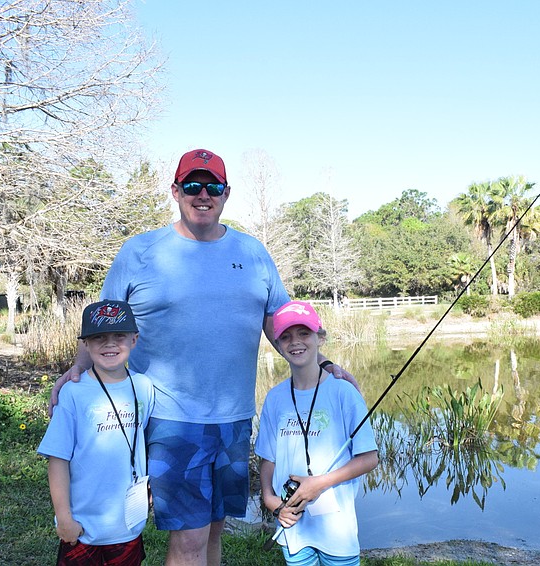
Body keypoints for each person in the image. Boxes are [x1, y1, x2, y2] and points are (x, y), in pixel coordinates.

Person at [51, 149, 355, 566]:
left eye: (213, 186)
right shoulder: (139, 252)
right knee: (189, 542)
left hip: (233, 419)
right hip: (172, 420)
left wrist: (323, 367)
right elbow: (106, 323)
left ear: (226, 193)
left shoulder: (252, 253)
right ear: (176, 191)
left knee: (213, 534)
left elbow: (281, 325)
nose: (203, 194)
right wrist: (77, 368)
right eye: (192, 185)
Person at [256, 301, 378, 566]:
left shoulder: (343, 392)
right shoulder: (275, 398)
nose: (295, 342)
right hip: (293, 524)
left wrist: (319, 483)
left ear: (320, 338)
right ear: (277, 344)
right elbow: (268, 458)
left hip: (337, 528)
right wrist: (269, 499)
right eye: (286, 336)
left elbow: (369, 458)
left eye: (304, 333)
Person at [38, 300, 155, 566]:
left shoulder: (144, 387)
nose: (110, 344)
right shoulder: (73, 393)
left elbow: (144, 444)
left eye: (119, 336)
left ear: (134, 340)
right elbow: (57, 459)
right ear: (86, 345)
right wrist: (64, 517)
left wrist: (147, 488)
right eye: (99, 337)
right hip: (83, 528)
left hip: (127, 525)